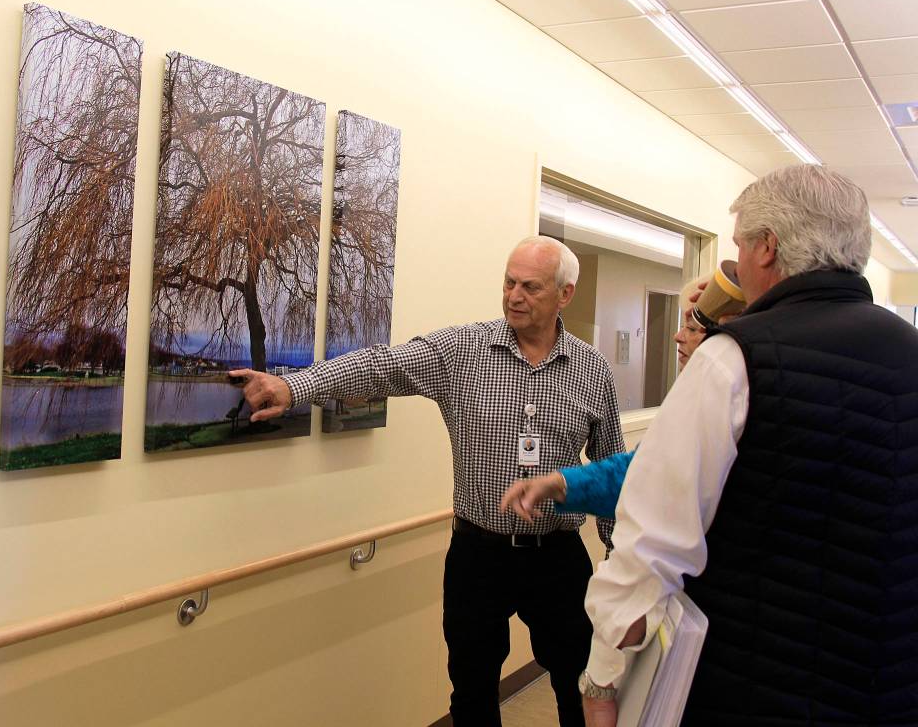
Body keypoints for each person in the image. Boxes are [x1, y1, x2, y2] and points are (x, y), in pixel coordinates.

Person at [543, 164, 918, 727]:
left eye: (740, 244)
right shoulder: (909, 351)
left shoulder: (736, 356)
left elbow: (654, 543)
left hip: (751, 681)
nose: (736, 263)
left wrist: (601, 678)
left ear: (767, 248)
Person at [232, 235, 626, 726]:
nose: (513, 296)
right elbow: (380, 366)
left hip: (557, 557)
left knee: (580, 682)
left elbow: (614, 469)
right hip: (478, 555)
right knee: (472, 688)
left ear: (564, 295)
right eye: (508, 282)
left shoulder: (593, 371)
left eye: (530, 286)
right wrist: (295, 386)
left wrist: (620, 565)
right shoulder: (463, 351)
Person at [501, 271, 743, 523]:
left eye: (692, 328)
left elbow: (642, 475)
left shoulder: (729, 400)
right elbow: (639, 470)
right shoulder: (692, 398)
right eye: (510, 282)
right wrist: (559, 483)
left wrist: (560, 485)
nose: (677, 336)